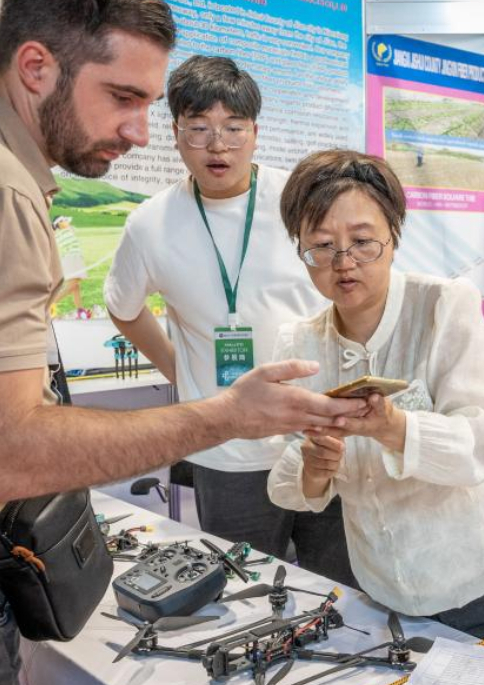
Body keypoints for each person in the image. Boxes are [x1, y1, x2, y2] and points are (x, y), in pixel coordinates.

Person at [0, 3, 364, 685]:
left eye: (149, 105)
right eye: (123, 98)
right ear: (37, 68)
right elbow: (6, 454)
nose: (138, 131)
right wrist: (220, 415)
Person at [266, 150, 484, 668]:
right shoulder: (299, 343)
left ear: (394, 236)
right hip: (392, 589)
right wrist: (315, 470)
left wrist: (395, 427)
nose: (344, 263)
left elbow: (479, 442)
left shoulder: (444, 306)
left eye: (363, 242)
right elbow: (289, 480)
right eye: (322, 246)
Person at [105, 56, 356, 587]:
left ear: (255, 133)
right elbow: (123, 309)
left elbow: (350, 291)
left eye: (233, 128)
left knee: (339, 589)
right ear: (175, 133)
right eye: (199, 129)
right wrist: (184, 376)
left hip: (318, 436)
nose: (217, 146)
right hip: (227, 452)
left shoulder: (302, 205)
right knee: (246, 592)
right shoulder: (149, 224)